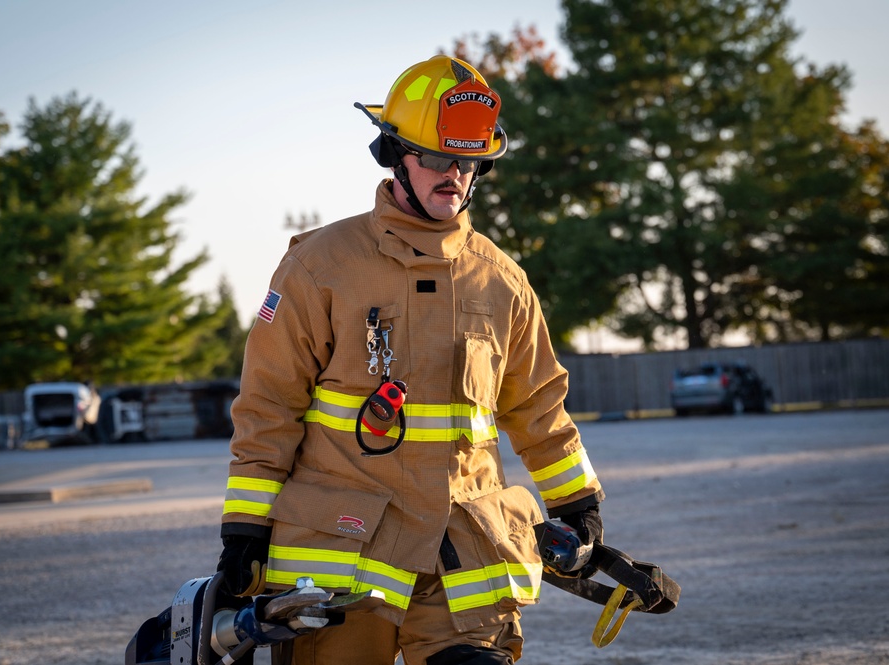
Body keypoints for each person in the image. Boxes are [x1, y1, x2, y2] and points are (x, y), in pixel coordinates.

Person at [218, 54, 605, 665]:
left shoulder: (502, 282)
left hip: (466, 558)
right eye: (435, 158)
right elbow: (269, 404)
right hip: (343, 561)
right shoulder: (319, 267)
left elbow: (538, 407)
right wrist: (245, 528)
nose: (454, 174)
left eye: (467, 161)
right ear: (394, 154)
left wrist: (579, 505)